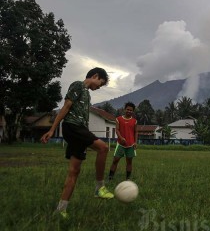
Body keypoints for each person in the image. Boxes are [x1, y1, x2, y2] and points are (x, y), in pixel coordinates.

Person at [41, 67, 114, 219]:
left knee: (74, 171)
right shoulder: (78, 85)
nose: (98, 87)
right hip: (73, 126)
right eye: (99, 84)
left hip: (79, 130)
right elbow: (66, 107)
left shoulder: (86, 93)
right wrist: (52, 130)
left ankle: (60, 209)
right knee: (103, 148)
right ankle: (99, 187)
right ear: (95, 76)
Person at [108, 102, 138, 181]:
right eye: (128, 109)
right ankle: (110, 178)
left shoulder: (134, 121)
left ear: (133, 111)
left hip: (131, 144)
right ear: (125, 109)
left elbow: (136, 132)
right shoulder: (118, 119)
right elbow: (117, 130)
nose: (129, 111)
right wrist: (121, 138)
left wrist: (135, 142)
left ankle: (128, 179)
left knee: (129, 162)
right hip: (121, 144)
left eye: (131, 110)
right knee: (115, 160)